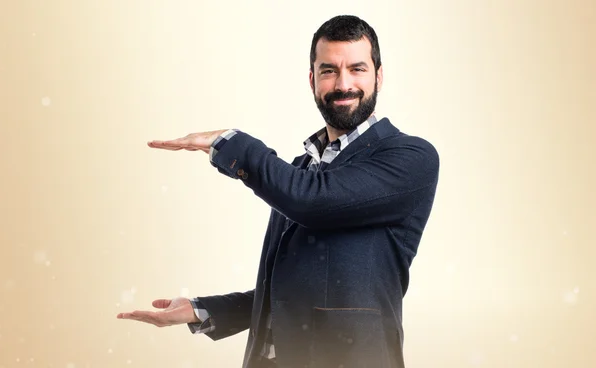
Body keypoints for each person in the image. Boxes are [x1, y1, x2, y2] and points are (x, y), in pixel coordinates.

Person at [117, 15, 439, 368]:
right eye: (329, 70)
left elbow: (313, 200)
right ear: (312, 79)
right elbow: (287, 292)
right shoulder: (300, 170)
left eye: (357, 69)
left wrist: (230, 142)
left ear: (379, 75)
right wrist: (201, 310)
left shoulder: (410, 158)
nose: (343, 84)